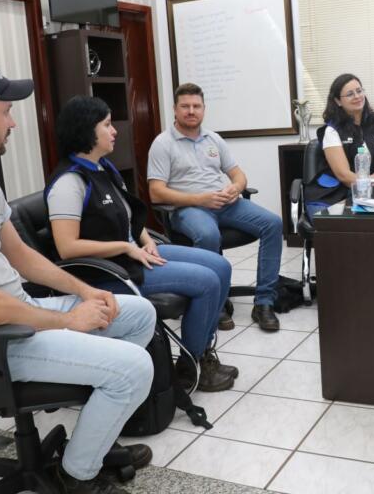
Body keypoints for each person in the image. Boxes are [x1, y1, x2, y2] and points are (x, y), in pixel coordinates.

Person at [0, 59, 155, 494]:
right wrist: (69, 321)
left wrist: (86, 291)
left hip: (18, 317)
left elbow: (21, 255)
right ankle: (76, 476)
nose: (13, 123)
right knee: (133, 368)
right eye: (5, 111)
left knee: (136, 313)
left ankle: (89, 443)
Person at [46, 95, 237, 392]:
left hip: (133, 253)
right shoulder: (69, 183)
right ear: (86, 131)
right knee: (208, 281)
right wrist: (126, 247)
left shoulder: (103, 169)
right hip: (110, 271)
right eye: (107, 125)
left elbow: (129, 218)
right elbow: (67, 248)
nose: (114, 131)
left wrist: (145, 240)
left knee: (221, 266)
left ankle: (202, 352)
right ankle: (190, 366)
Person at [147, 83, 283, 331]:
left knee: (273, 223)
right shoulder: (163, 143)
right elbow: (155, 193)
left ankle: (264, 302)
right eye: (185, 106)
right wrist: (200, 199)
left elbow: (239, 174)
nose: (191, 111)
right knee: (208, 234)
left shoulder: (214, 139)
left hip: (224, 203)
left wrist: (235, 188)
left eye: (196, 106)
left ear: (203, 109)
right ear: (175, 110)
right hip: (189, 208)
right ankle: (215, 302)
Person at [303, 73, 374, 216]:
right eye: (350, 94)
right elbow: (344, 176)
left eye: (359, 91)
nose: (357, 96)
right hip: (331, 196)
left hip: (371, 191)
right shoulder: (332, 129)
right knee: (345, 231)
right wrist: (369, 183)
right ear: (338, 101)